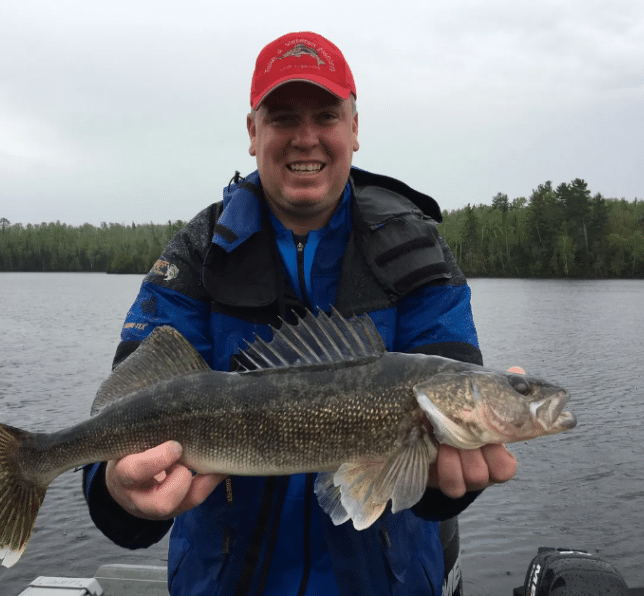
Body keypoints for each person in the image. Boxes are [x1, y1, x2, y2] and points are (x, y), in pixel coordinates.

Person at [83, 31, 517, 596]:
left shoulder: (417, 252)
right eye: (283, 117)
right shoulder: (195, 257)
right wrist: (118, 494)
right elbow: (120, 415)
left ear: (355, 129)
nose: (305, 137)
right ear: (252, 132)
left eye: (326, 115)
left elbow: (449, 419)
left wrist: (451, 479)